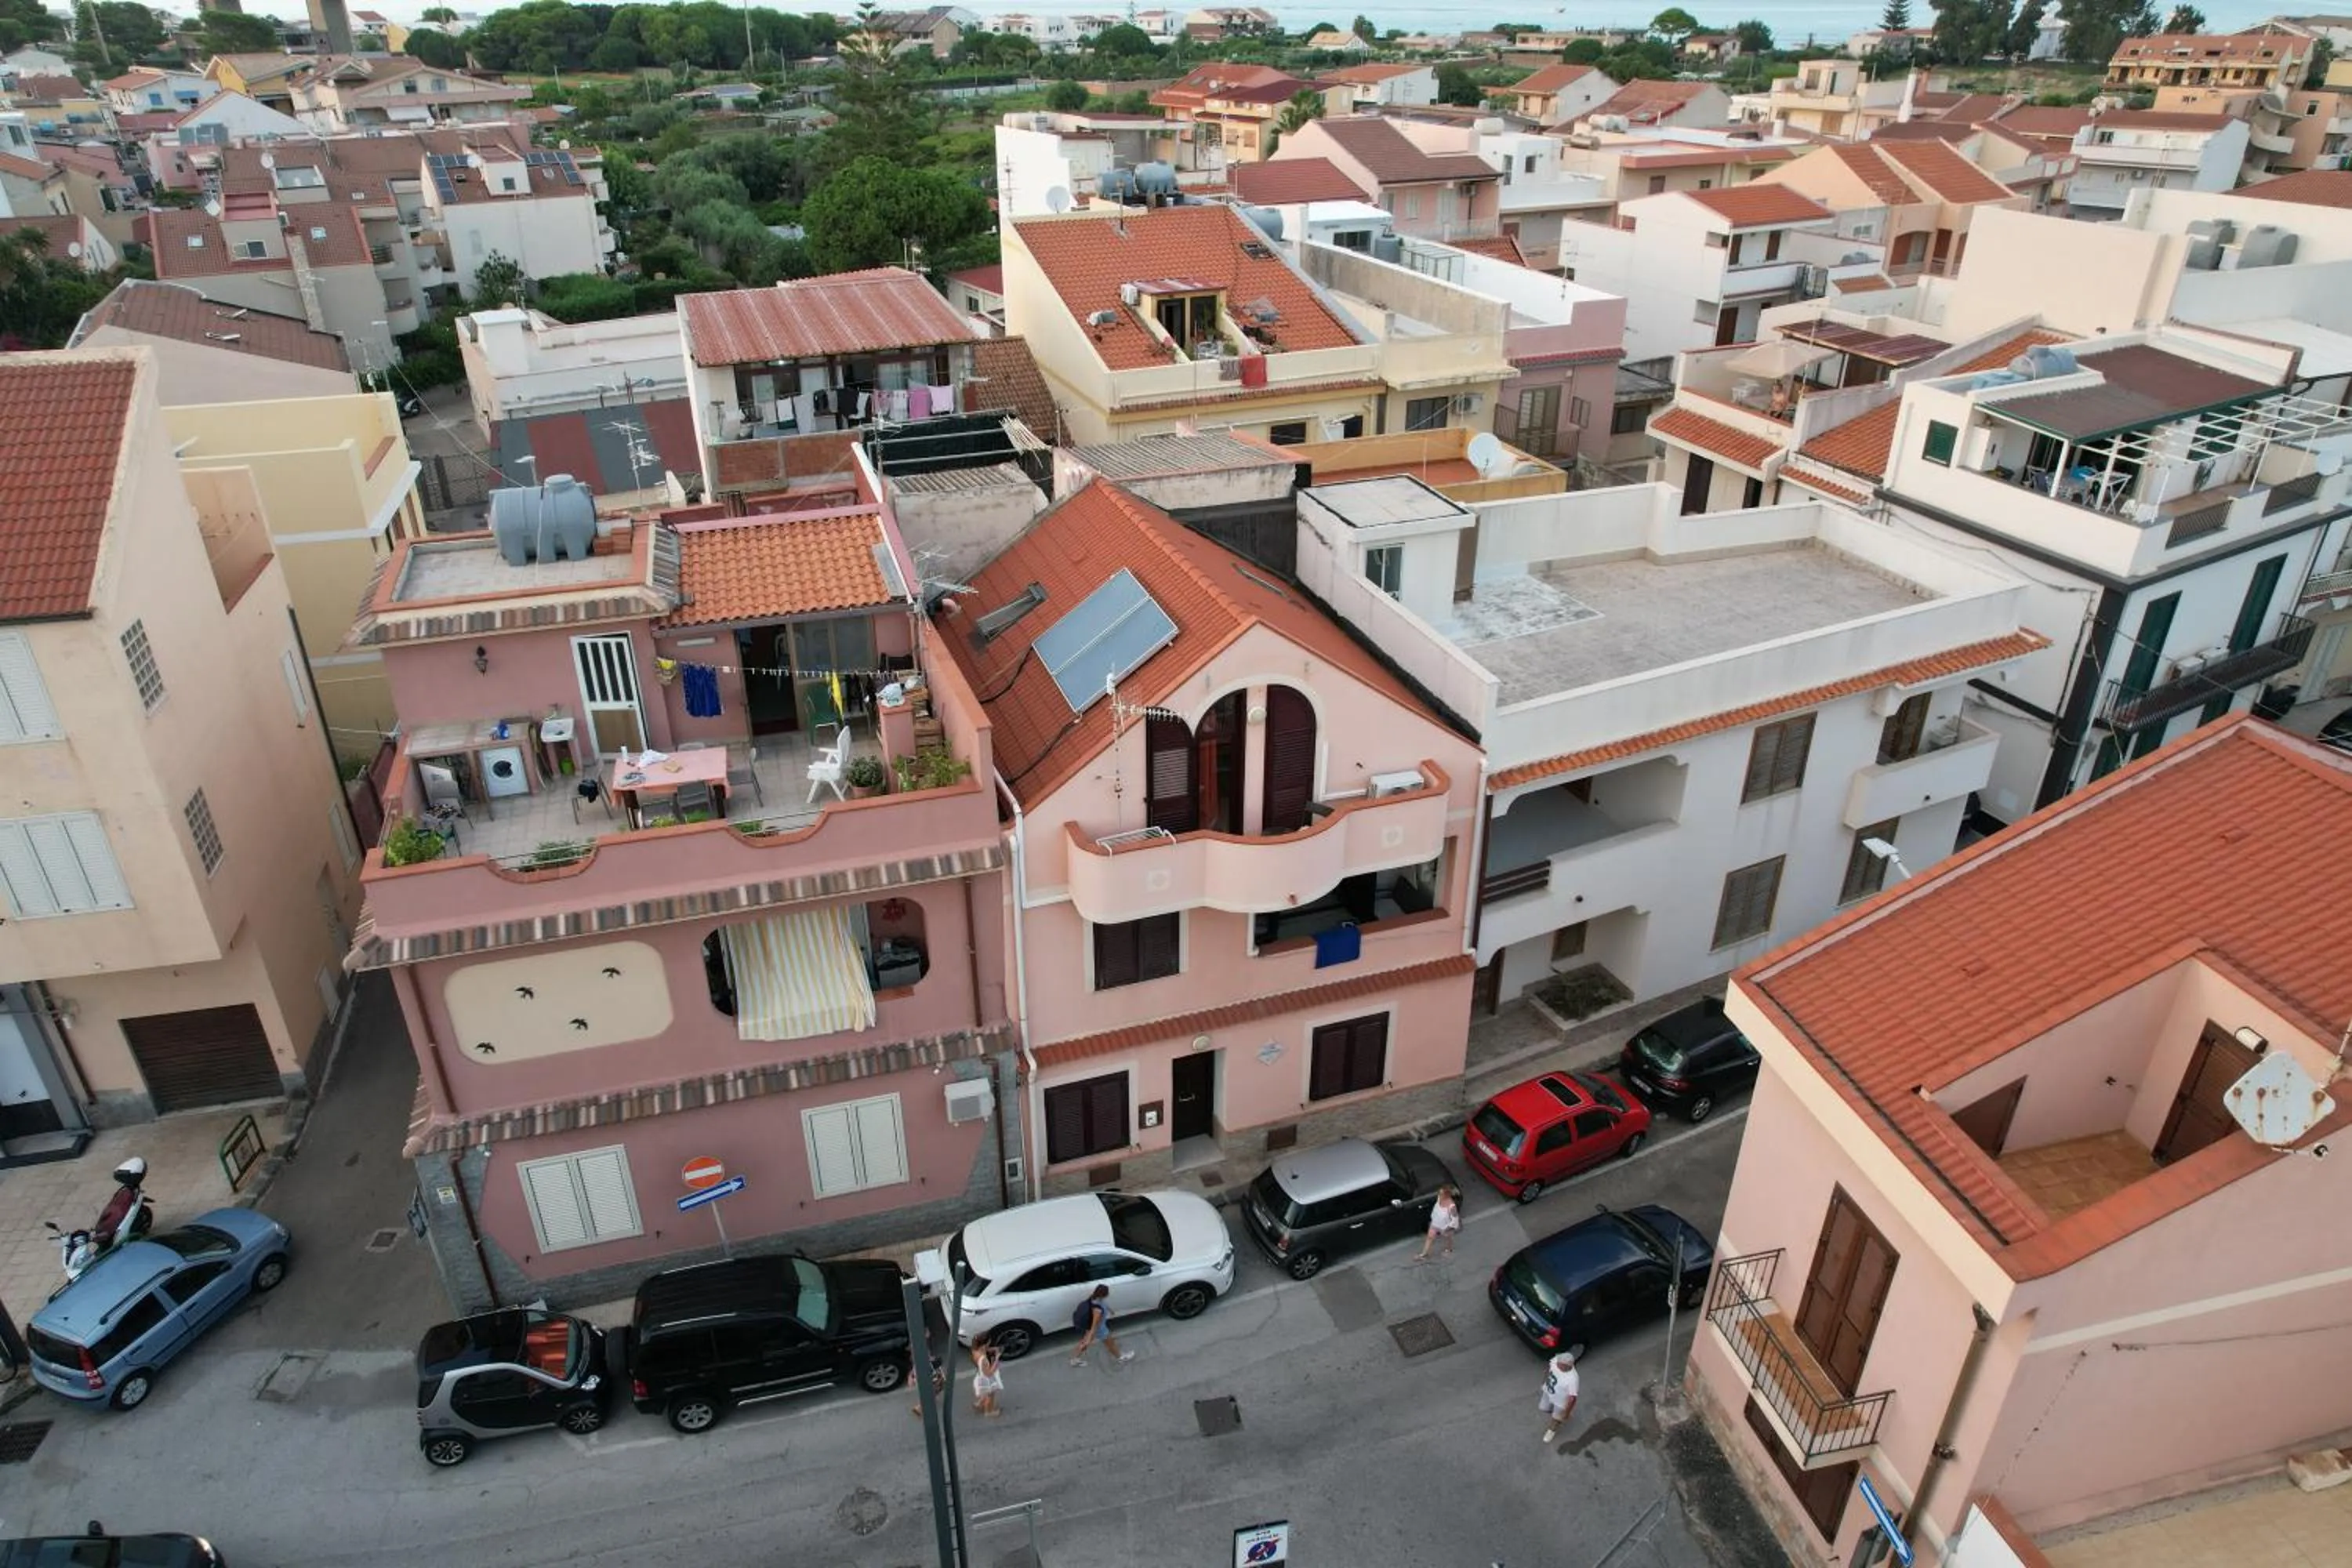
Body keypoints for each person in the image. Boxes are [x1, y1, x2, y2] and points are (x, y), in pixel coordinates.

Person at [1070, 1285, 1134, 1367]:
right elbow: (1094, 1324)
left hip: (1095, 1328)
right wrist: (1090, 1336)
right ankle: (1121, 1357)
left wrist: (1110, 1310)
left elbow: (1104, 1304)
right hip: (1100, 1329)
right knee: (1111, 1344)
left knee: (1084, 1343)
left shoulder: (1093, 1298)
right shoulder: (1097, 1310)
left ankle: (1074, 1359)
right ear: (1104, 1295)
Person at [1538, 1348, 1579, 1444]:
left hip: (1560, 1403)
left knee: (1557, 1417)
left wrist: (1567, 1412)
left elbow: (1572, 1398)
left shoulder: (1573, 1379)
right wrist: (1544, 1380)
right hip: (1548, 1392)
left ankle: (1552, 1430)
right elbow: (1549, 1367)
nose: (1556, 1364)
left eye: (1559, 1365)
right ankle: (1557, 1417)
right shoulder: (1557, 1360)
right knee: (1543, 1408)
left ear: (1567, 1366)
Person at [1414, 1185, 1461, 1262]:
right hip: (1435, 1223)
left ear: (1447, 1195)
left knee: (1448, 1238)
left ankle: (1449, 1249)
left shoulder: (1452, 1207)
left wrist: (1449, 1228)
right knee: (1430, 1237)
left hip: (1445, 1226)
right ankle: (1424, 1254)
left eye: (1441, 1193)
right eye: (1440, 1193)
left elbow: (1455, 1219)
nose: (1439, 1194)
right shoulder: (1439, 1198)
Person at [971, 1337, 1004, 1417]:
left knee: (984, 1392)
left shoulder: (975, 1351)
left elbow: (984, 1351)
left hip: (980, 1376)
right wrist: (997, 1359)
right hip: (987, 1380)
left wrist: (993, 1349)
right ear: (983, 1345)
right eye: (987, 1344)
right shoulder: (984, 1360)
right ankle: (989, 1412)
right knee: (990, 1395)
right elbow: (989, 1373)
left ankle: (979, 1404)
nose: (988, 1346)